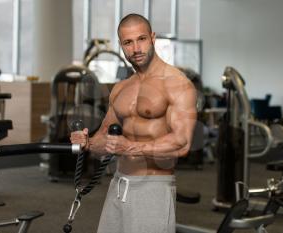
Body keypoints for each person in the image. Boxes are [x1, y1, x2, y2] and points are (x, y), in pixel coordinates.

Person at [70, 13, 197, 233]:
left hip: (153, 188)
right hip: (118, 184)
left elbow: (182, 143)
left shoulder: (177, 83)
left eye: (141, 39)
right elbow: (105, 137)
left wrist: (130, 147)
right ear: (121, 45)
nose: (136, 48)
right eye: (128, 42)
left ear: (153, 38)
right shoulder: (121, 88)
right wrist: (88, 142)